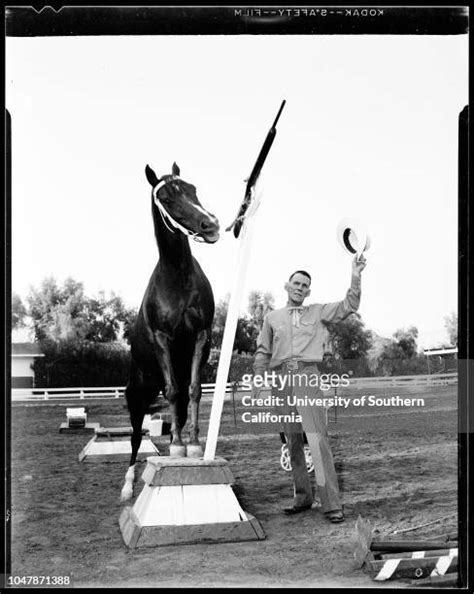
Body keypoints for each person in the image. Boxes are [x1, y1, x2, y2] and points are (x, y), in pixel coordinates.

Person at [252, 254, 366, 523]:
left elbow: (350, 304)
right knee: (292, 441)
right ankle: (302, 497)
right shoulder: (271, 317)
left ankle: (331, 505)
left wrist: (356, 273)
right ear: (287, 286)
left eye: (305, 285)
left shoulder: (317, 312)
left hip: (307, 376)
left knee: (316, 440)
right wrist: (259, 378)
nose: (300, 288)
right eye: (296, 283)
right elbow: (262, 351)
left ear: (309, 291)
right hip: (281, 380)